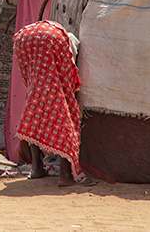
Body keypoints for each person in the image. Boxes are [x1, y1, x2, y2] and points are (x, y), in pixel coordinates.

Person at [12, 20, 94, 187]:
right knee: (66, 121)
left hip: (24, 41)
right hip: (49, 47)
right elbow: (69, 71)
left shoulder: (36, 47)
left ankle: (36, 168)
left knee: (33, 118)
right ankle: (65, 175)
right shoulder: (66, 43)